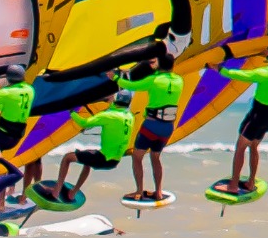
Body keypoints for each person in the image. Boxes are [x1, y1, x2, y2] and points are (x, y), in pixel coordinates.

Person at [211, 43, 268, 195]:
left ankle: (233, 185)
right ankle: (250, 182)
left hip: (257, 116)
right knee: (254, 147)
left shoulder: (265, 73)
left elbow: (240, 75)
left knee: (240, 147)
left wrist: (219, 69)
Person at [117, 53, 183, 200]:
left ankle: (139, 191)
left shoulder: (153, 80)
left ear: (159, 64)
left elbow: (130, 85)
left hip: (151, 126)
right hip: (167, 128)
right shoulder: (179, 81)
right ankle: (158, 192)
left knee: (137, 157)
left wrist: (115, 78)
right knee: (155, 157)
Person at [54, 90, 136, 198]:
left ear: (116, 99)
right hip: (114, 161)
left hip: (103, 158)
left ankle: (56, 191)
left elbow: (84, 123)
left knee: (67, 158)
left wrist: (71, 112)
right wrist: (108, 101)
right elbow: (116, 112)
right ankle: (73, 192)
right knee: (88, 161)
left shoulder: (108, 116)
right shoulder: (130, 117)